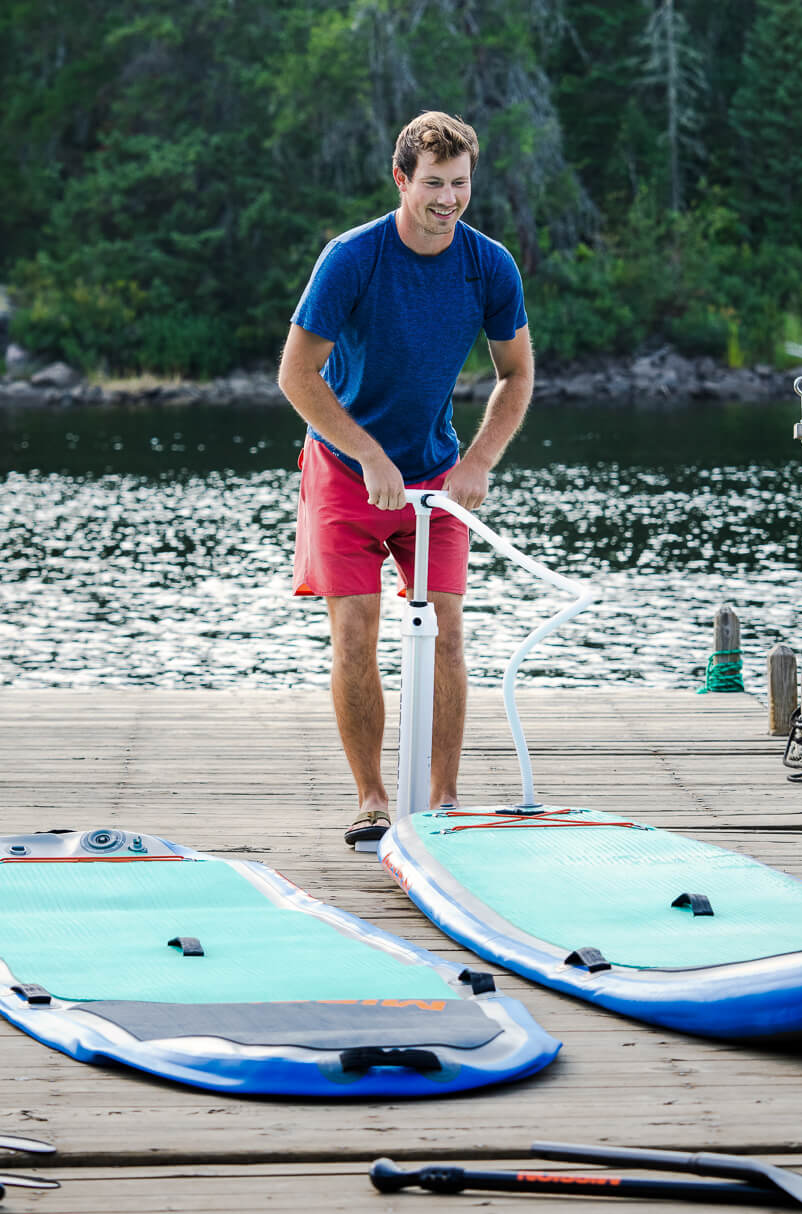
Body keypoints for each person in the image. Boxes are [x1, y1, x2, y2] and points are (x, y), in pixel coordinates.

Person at [278, 109, 534, 850]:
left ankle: (445, 801)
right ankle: (370, 800)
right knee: (355, 631)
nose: (447, 198)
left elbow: (515, 375)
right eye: (432, 183)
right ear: (401, 179)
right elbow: (297, 373)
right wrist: (365, 453)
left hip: (435, 475)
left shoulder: (488, 265)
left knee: (446, 632)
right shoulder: (352, 258)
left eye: (459, 183)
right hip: (344, 468)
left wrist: (478, 459)